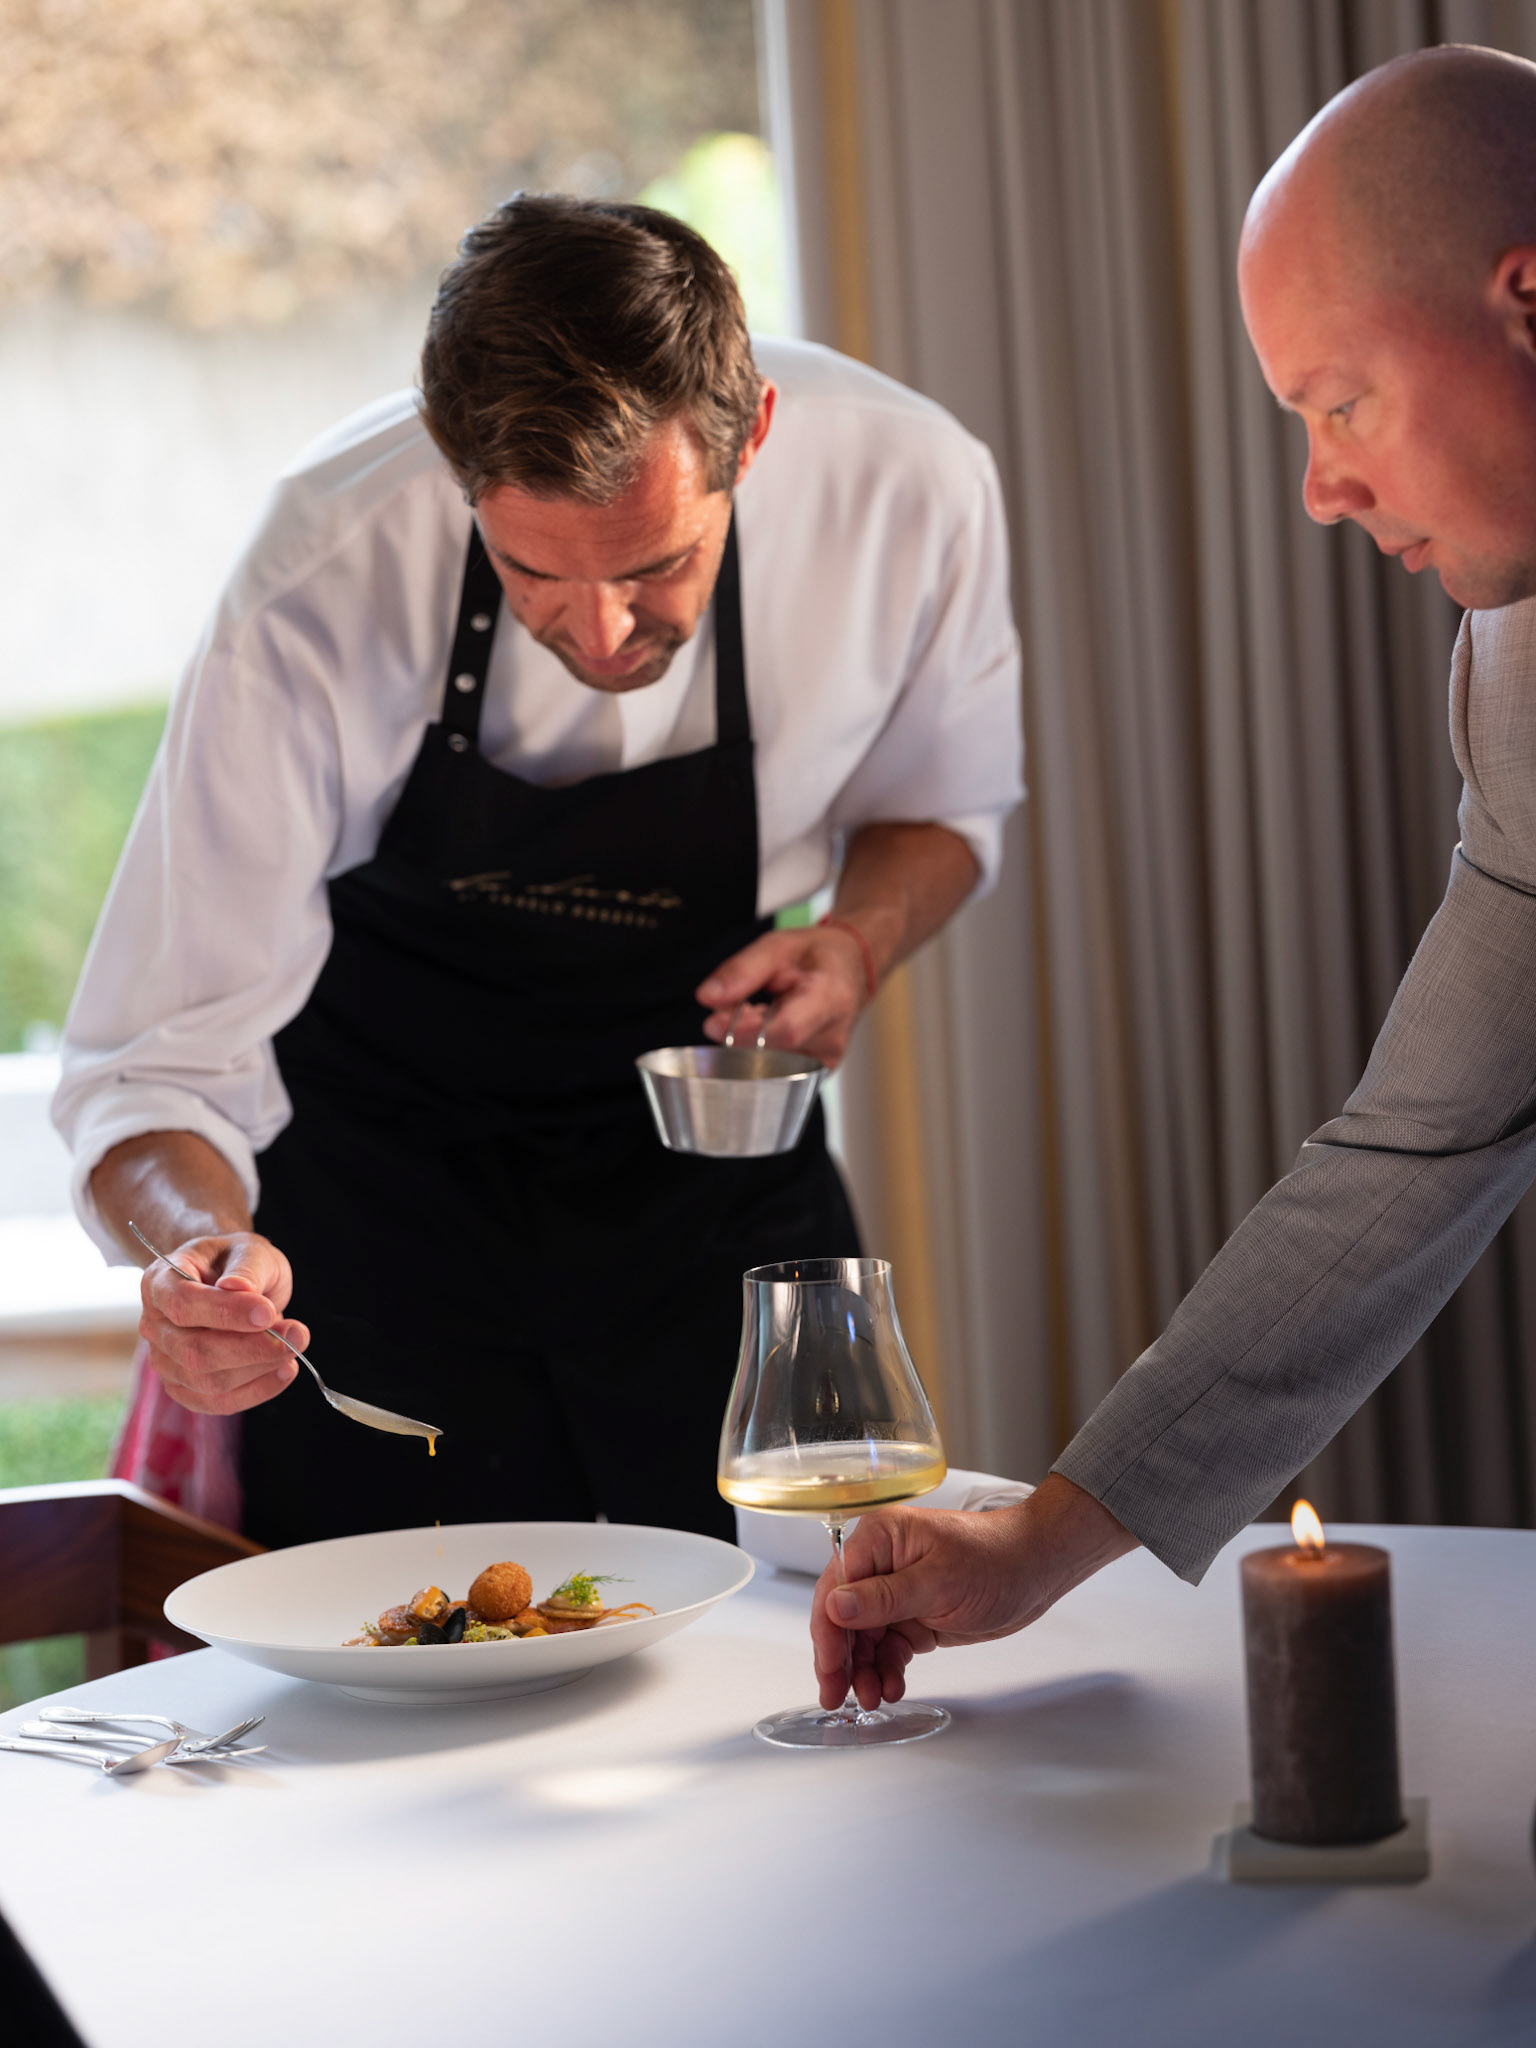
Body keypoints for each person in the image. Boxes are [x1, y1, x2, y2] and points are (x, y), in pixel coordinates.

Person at [56, 195, 1022, 1549]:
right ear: (459, 479)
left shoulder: (908, 489)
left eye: (659, 564)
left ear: (752, 436)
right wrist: (194, 1256)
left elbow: (946, 806)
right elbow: (152, 1063)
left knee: (810, 1653)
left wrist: (858, 939)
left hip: (710, 1195)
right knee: (413, 1688)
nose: (606, 631)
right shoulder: (319, 571)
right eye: (534, 577)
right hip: (381, 1216)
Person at [807, 42, 1536, 1711]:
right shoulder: (1515, 678)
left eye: (1339, 404)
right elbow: (1414, 1153)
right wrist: (1037, 1543)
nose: (1320, 489)